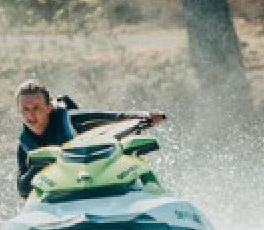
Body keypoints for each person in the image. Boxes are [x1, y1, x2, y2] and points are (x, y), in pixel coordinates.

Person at [14, 79, 164, 199]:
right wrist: (38, 166)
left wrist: (145, 116)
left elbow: (111, 117)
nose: (30, 115)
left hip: (104, 183)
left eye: (36, 108)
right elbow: (22, 189)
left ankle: (158, 197)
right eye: (25, 109)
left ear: (49, 107)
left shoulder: (68, 120)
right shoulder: (24, 145)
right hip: (63, 196)